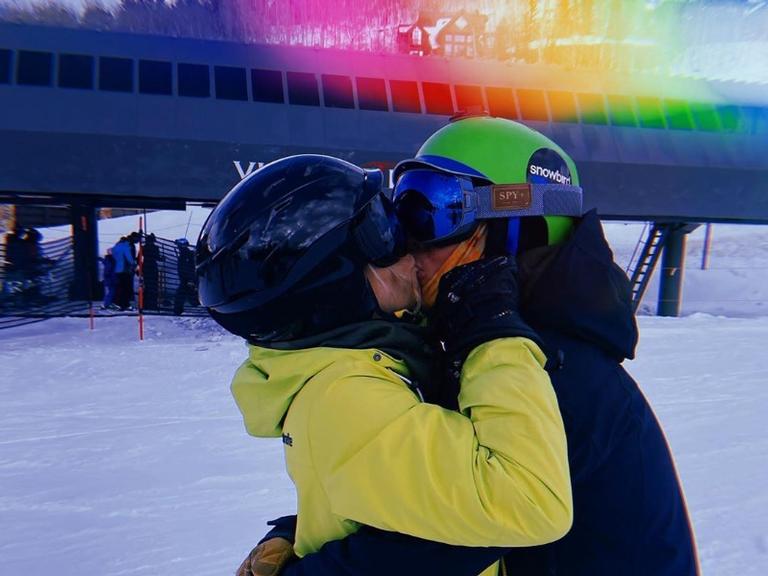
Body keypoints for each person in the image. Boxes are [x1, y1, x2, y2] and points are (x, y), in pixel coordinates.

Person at [254, 116, 700, 576]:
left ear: (514, 233)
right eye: (400, 208)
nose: (405, 244)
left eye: (432, 211)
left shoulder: (554, 373)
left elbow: (424, 550)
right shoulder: (482, 348)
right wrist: (298, 528)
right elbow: (429, 486)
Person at [196, 154, 573, 576]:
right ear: (335, 286)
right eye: (390, 241)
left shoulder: (339, 368)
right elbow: (531, 499)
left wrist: (301, 531)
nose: (413, 256)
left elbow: (375, 490)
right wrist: (494, 332)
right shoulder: (347, 396)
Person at [112, 235, 135, 310]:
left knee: (120, 287)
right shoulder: (125, 247)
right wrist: (133, 264)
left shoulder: (116, 247)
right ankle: (125, 304)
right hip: (125, 270)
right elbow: (129, 258)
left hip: (118, 269)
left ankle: (118, 303)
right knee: (126, 288)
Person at [173, 238, 195, 315]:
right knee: (189, 294)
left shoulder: (186, 254)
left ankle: (178, 310)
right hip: (185, 278)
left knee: (181, 294)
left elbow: (189, 267)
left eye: (179, 246)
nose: (178, 248)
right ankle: (195, 303)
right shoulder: (184, 254)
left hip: (187, 279)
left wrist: (190, 279)